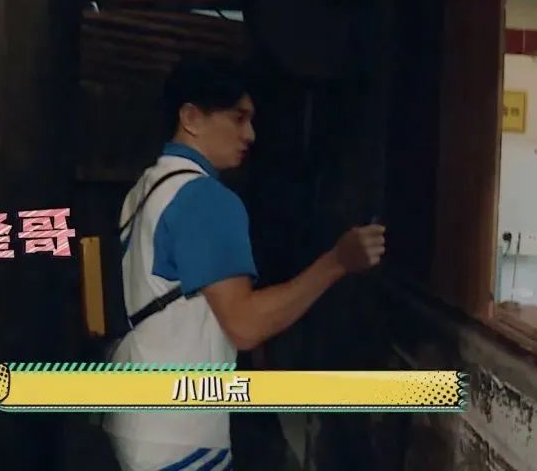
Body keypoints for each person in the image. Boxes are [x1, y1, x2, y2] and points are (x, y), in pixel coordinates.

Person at [104, 58, 386, 471]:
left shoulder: (144, 191)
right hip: (179, 435)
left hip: (137, 415)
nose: (250, 134)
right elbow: (246, 325)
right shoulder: (205, 198)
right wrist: (337, 261)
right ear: (191, 118)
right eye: (238, 118)